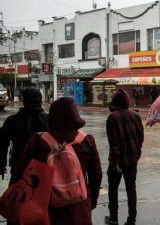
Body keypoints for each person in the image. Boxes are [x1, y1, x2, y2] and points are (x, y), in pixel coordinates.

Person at [10, 97, 102, 225]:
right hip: (78, 210)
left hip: (44, 210)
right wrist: (91, 201)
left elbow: (19, 173)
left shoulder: (38, 141)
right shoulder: (86, 141)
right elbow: (96, 175)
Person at [105, 89, 144, 225]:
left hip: (118, 161)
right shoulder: (136, 116)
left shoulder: (113, 118)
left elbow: (114, 143)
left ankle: (113, 217)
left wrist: (115, 163)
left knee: (113, 189)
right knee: (131, 189)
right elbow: (140, 138)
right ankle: (131, 219)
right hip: (132, 159)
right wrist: (137, 153)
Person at [0, 89, 48, 181]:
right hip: (44, 166)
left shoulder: (12, 120)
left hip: (19, 165)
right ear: (40, 101)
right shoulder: (49, 120)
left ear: (24, 101)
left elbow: (2, 145)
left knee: (17, 193)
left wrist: (2, 165)